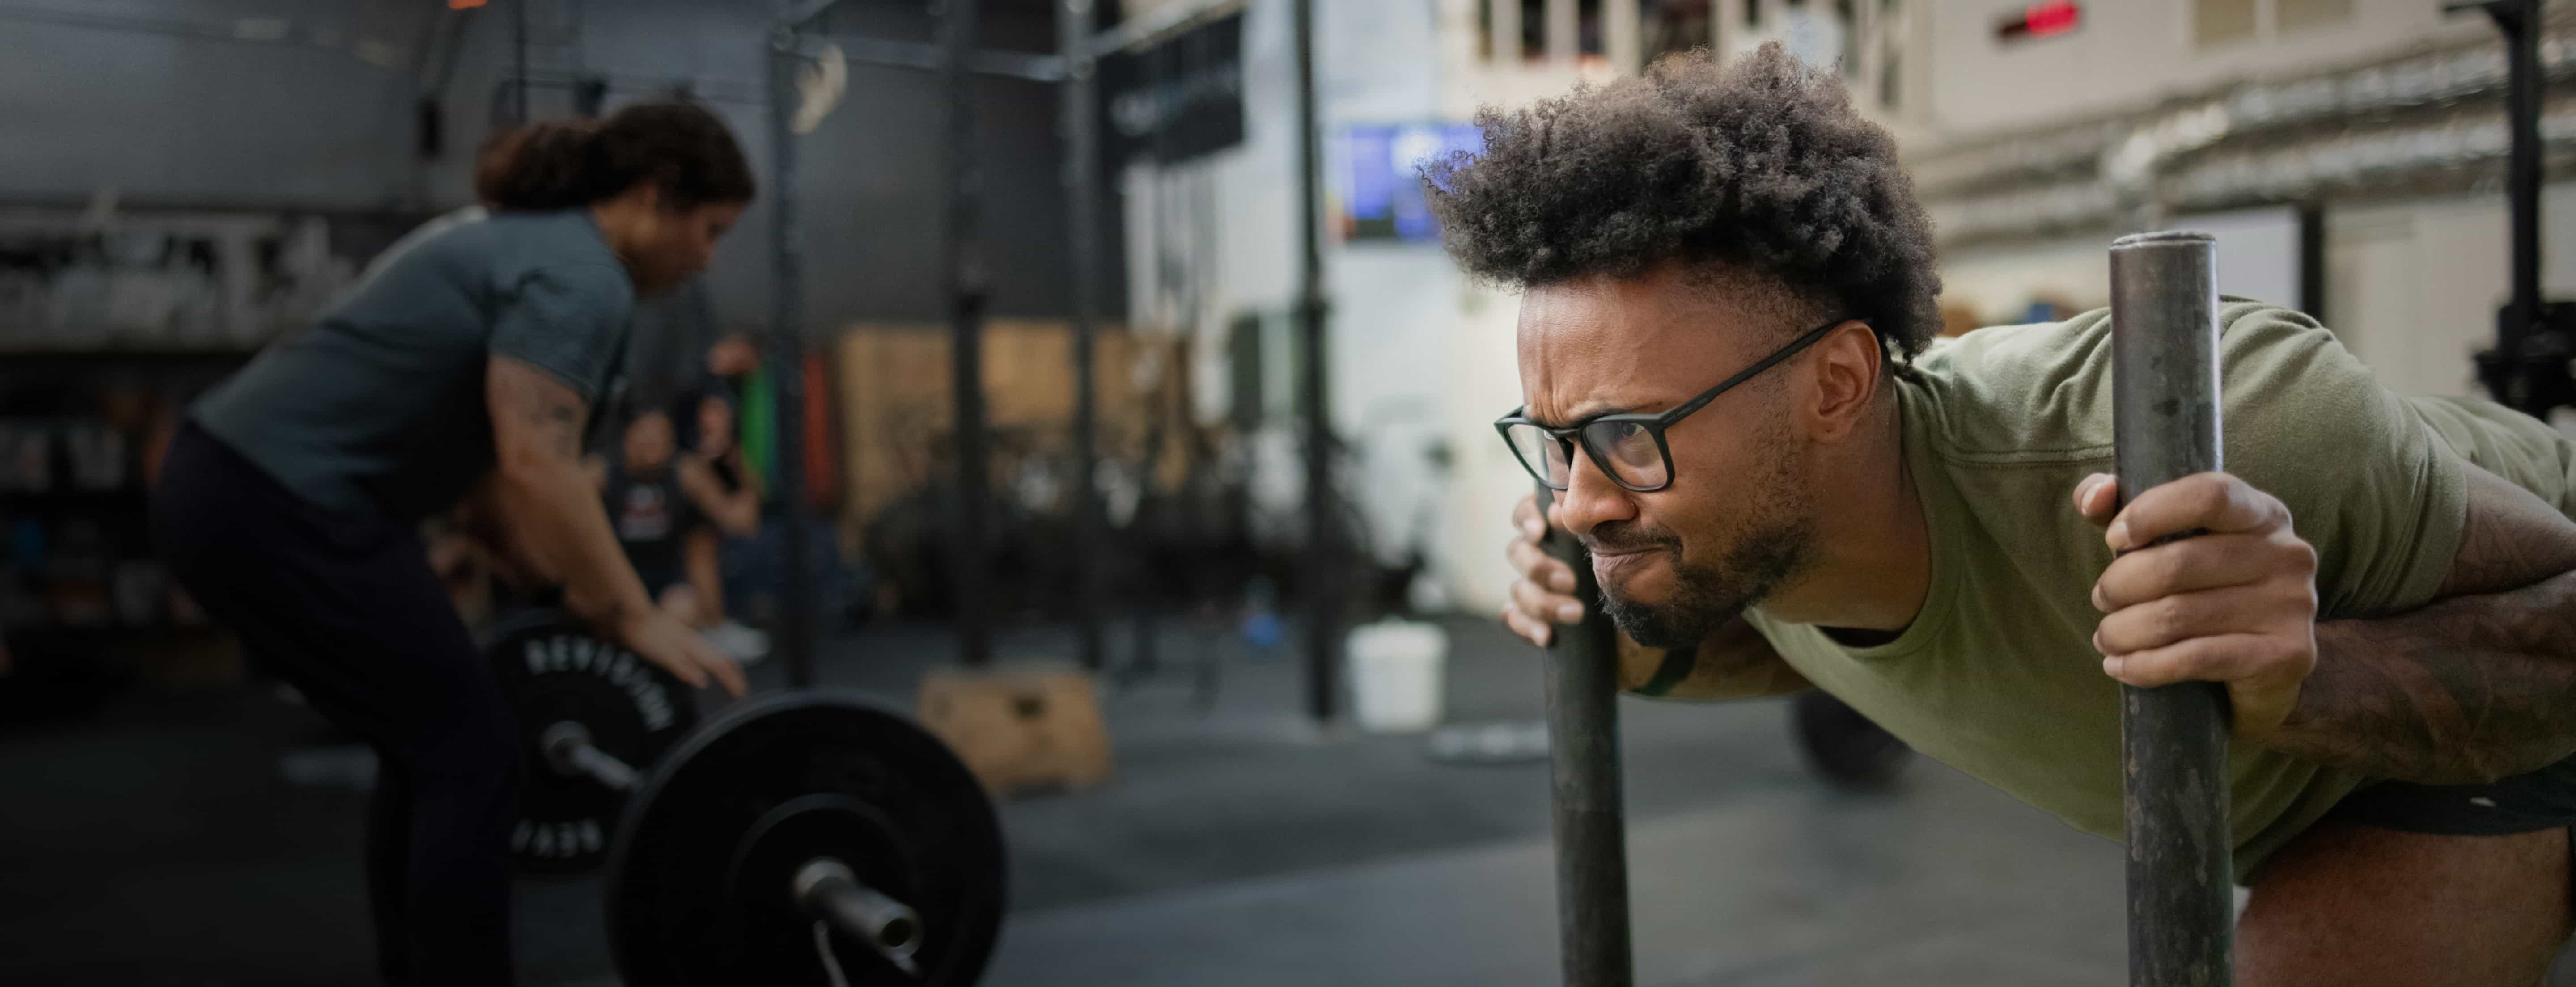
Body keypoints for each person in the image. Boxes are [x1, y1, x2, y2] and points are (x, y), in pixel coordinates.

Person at [1464, 47, 2576, 985]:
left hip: (2461, 739)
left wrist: (2306, 674)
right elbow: (1865, 650)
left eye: (1626, 433)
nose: (1574, 500)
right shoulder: (1776, 521)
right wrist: (1602, 623)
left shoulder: (2217, 434)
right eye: (1557, 439)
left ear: (1835, 387)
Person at [151, 101, 754, 986]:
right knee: (468, 751)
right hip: (280, 501)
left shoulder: (520, 244)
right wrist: (631, 614)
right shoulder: (580, 272)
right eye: (711, 230)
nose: (708, 257)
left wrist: (560, 600)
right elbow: (538, 460)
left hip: (234, 490)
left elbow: (485, 491)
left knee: (435, 745)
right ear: (656, 196)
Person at [592, 400, 765, 660]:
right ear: (628, 435)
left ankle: (711, 629)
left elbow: (740, 523)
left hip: (667, 585)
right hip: (618, 580)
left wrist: (737, 466)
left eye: (662, 434)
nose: (654, 440)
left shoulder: (686, 473)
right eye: (646, 432)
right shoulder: (600, 473)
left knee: (684, 603)